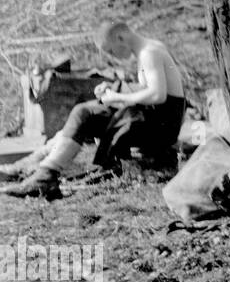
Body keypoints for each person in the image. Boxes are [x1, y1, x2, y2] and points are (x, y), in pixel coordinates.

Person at [2, 21, 186, 201]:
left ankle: (42, 175)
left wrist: (118, 97)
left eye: (111, 50)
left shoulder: (149, 53)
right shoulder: (149, 48)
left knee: (84, 113)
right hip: (156, 119)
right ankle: (38, 168)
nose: (113, 56)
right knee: (83, 115)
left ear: (120, 37)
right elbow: (152, 89)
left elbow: (158, 95)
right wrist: (116, 88)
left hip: (162, 126)